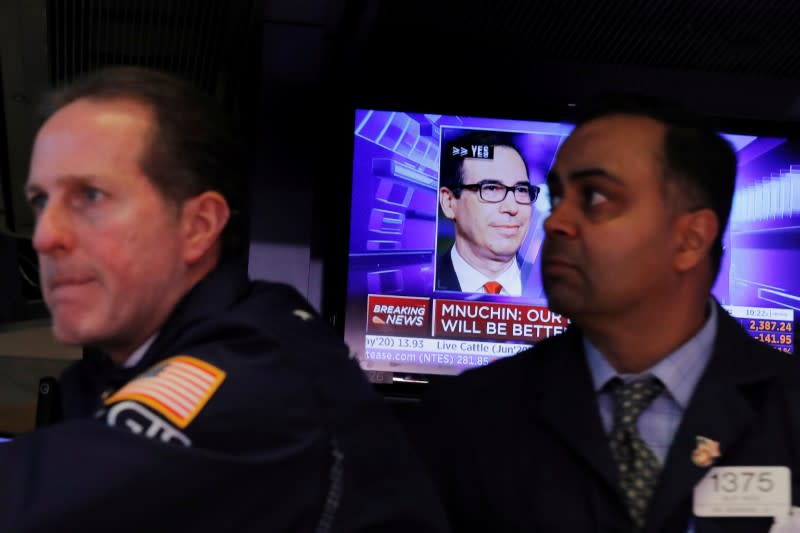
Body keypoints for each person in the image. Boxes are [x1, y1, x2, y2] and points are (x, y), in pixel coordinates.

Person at [0, 66, 450, 532]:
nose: (44, 236)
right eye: (40, 202)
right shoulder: (109, 372)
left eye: (91, 195)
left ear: (197, 226)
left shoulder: (258, 366)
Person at [414, 96, 800, 532]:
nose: (553, 222)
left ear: (691, 238)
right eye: (558, 196)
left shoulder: (789, 412)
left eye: (595, 197)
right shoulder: (468, 418)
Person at [436, 130, 540, 296]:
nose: (512, 208)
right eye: (491, 188)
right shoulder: (414, 286)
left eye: (521, 190)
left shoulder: (559, 290)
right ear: (449, 202)